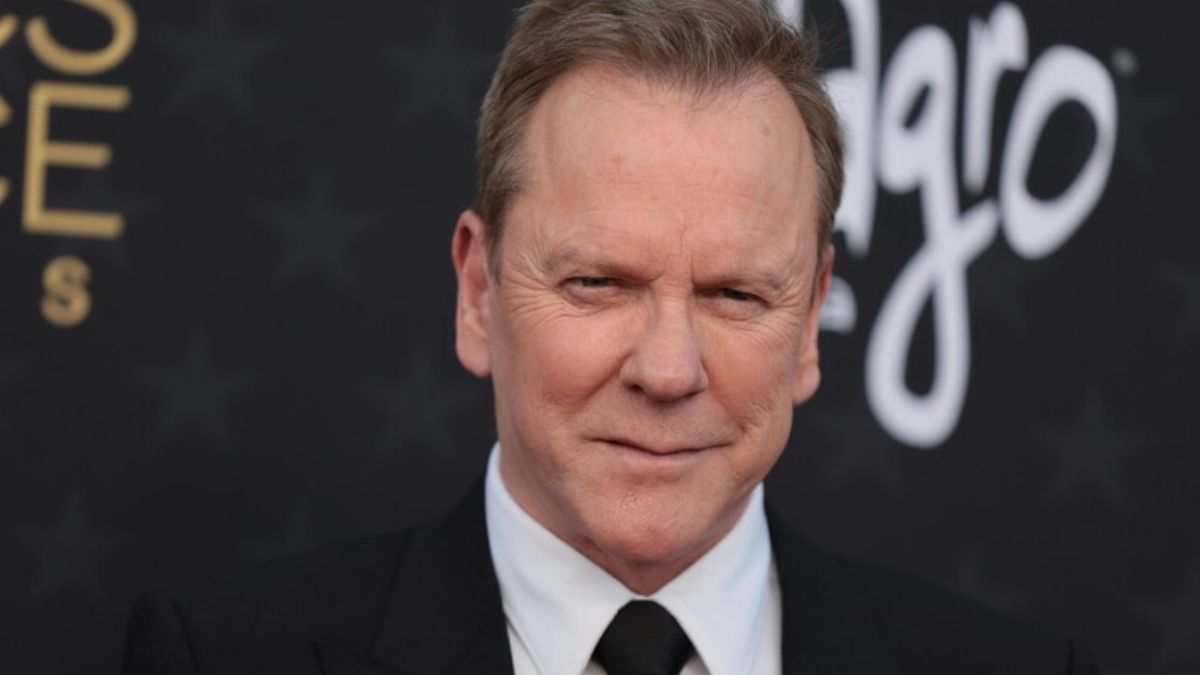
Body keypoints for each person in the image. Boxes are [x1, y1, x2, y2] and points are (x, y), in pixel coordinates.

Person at [123, 1, 1097, 673]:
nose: (668, 370)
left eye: (735, 294)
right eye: (597, 284)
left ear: (810, 320)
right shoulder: (224, 657)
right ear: (478, 291)